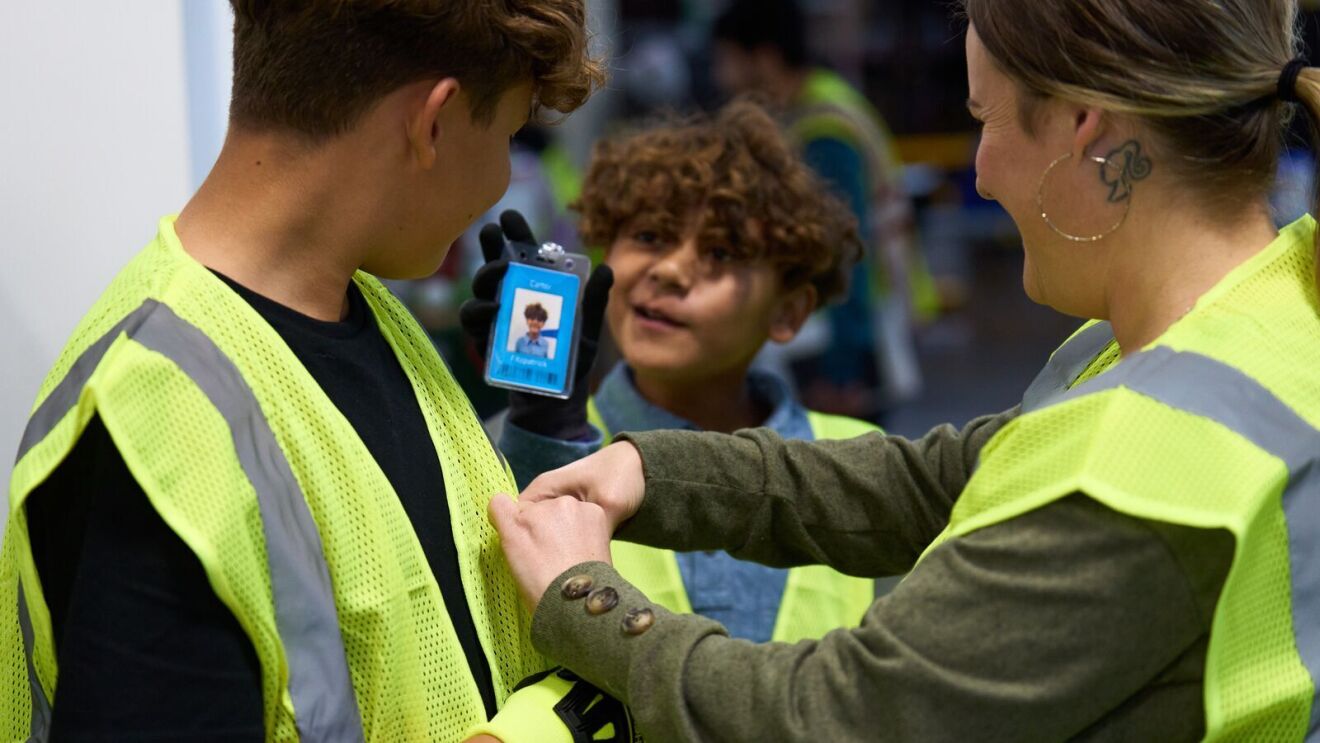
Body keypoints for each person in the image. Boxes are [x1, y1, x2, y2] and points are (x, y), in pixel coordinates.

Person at [489, 0, 1320, 739]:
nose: (983, 174)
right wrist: (650, 467)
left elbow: (831, 717)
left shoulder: (1138, 467)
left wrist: (581, 593)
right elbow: (942, 479)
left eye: (986, 120)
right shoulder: (1271, 312)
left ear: (1084, 128)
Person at [0, 1, 621, 741]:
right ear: (433, 121)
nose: (499, 178)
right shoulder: (158, 424)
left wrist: (541, 429)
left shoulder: (370, 316)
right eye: (511, 134)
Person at [485, 100, 878, 644]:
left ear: (789, 311)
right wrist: (536, 447)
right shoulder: (506, 446)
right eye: (649, 237)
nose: (669, 269)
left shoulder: (862, 463)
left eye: (720, 252)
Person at [712, 0, 923, 421]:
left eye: (729, 61)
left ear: (766, 59)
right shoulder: (811, 110)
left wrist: (842, 371)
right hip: (835, 336)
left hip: (841, 347)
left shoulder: (823, 130)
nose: (722, 77)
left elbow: (847, 251)